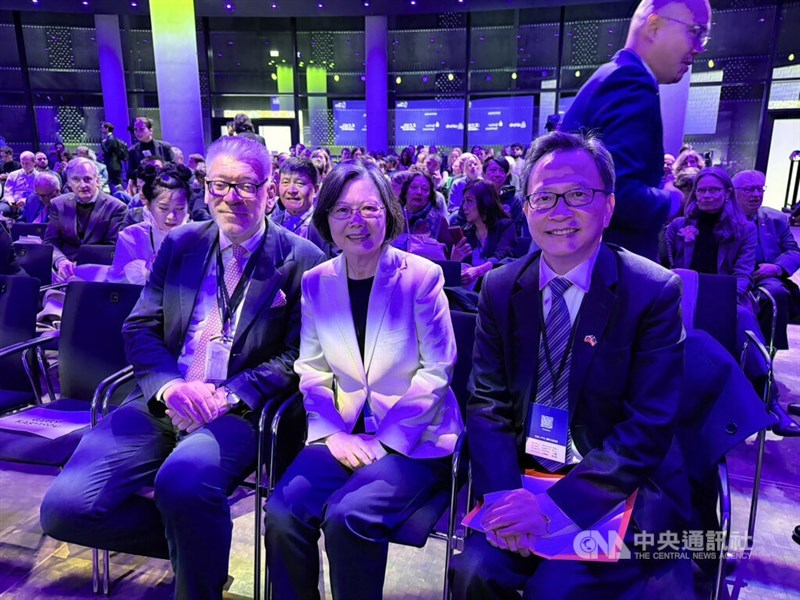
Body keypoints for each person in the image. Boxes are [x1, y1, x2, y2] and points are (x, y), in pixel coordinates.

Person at [39, 136, 325, 600]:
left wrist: (227, 394)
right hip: (162, 400)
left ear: (268, 190)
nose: (230, 197)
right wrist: (171, 387)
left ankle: (199, 580)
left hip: (239, 411)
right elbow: (140, 327)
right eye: (219, 185)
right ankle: (200, 545)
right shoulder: (181, 243)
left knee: (183, 484)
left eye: (245, 186)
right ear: (205, 188)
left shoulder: (302, 259)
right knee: (65, 508)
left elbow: (299, 355)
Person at [452, 131, 692, 598]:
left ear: (609, 206)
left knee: (558, 590)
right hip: (520, 479)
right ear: (526, 210)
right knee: (474, 572)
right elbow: (486, 401)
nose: (560, 212)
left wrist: (555, 508)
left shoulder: (651, 292)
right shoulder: (501, 287)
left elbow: (649, 423)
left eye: (579, 194)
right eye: (543, 198)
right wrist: (502, 496)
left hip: (609, 488)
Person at [264, 160, 463, 598]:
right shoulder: (317, 281)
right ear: (326, 218)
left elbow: (437, 370)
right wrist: (333, 433)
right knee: (282, 511)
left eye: (369, 209)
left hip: (414, 440)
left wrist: (384, 440)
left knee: (347, 517)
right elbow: (311, 367)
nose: (357, 222)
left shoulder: (421, 277)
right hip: (344, 434)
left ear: (388, 214)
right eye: (343, 211)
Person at [561, 0, 711, 260]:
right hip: (604, 272)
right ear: (653, 26)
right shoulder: (632, 81)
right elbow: (618, 194)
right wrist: (673, 198)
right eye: (695, 32)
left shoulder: (614, 74)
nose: (698, 49)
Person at [665, 168, 800, 437]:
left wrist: (722, 303)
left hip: (727, 297)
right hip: (682, 294)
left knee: (743, 320)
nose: (706, 195)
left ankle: (769, 401)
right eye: (701, 190)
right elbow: (667, 267)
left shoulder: (744, 230)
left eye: (714, 190)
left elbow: (742, 275)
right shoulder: (678, 227)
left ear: (727, 194)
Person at [733, 170, 800, 350]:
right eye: (749, 189)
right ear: (733, 191)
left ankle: (767, 353)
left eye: (760, 189)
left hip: (765, 276)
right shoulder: (723, 218)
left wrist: (776, 268)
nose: (756, 194)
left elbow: (794, 251)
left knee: (776, 294)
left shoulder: (777, 219)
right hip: (732, 275)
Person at [42, 157, 127, 282]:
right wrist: (60, 261)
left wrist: (83, 267)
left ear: (97, 181)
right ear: (69, 183)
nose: (82, 185)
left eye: (88, 179)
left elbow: (112, 249)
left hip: (98, 273)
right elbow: (50, 241)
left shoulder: (116, 207)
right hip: (63, 273)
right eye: (76, 179)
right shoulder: (58, 204)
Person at [107, 164, 191, 285]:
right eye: (163, 208)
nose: (171, 216)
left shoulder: (201, 236)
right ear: (148, 204)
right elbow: (115, 283)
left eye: (180, 208)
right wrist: (145, 270)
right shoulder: (131, 236)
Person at [451, 179, 517, 289]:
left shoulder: (505, 226)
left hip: (496, 288)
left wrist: (478, 271)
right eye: (464, 201)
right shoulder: (465, 233)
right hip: (469, 294)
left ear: (485, 202)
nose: (464, 207)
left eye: (469, 201)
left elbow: (504, 257)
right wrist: (454, 261)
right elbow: (454, 279)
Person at [270, 157, 336, 256]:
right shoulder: (271, 224)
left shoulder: (329, 226)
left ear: (316, 190)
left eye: (299, 183)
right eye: (285, 182)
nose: (291, 190)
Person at [395, 171, 453, 259]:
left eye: (424, 189)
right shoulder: (395, 217)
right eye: (414, 187)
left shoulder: (439, 222)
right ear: (406, 191)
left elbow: (447, 256)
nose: (419, 192)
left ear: (430, 195)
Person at [127, 116, 175, 186]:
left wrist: (159, 164)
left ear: (150, 130)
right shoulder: (132, 151)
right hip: (144, 188)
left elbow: (174, 166)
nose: (138, 132)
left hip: (165, 185)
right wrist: (144, 169)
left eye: (141, 129)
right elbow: (130, 173)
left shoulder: (165, 146)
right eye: (135, 129)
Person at [0, 151, 36, 218]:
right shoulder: (13, 174)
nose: (25, 165)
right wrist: (12, 202)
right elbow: (8, 192)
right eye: (22, 163)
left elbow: (36, 194)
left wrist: (25, 200)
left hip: (28, 203)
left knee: (26, 213)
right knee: (1, 210)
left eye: (27, 163)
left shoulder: (39, 177)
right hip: (10, 203)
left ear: (34, 162)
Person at [101, 121, 128, 189]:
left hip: (113, 165)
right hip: (113, 165)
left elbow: (107, 151)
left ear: (107, 128)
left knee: (117, 183)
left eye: (102, 128)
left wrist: (103, 143)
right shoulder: (109, 138)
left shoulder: (111, 139)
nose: (101, 129)